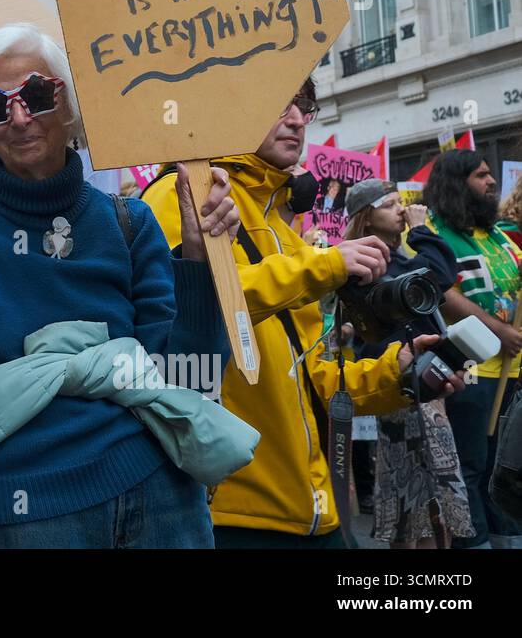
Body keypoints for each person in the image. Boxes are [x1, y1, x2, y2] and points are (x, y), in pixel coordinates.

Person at [0, 24, 251, 549]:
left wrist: (198, 260)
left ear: (70, 104)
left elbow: (190, 382)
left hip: (156, 500)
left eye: (36, 94)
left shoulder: (132, 224)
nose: (18, 118)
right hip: (18, 520)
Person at [143, 80, 464, 548]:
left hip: (314, 510)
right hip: (231, 513)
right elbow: (203, 304)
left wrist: (394, 375)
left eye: (304, 106)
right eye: (279, 103)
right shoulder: (182, 194)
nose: (296, 119)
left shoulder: (285, 229)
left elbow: (313, 377)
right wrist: (327, 264)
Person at [341, 179, 472, 548]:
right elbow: (436, 278)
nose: (402, 209)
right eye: (391, 204)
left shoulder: (397, 258)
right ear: (366, 218)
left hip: (425, 382)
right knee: (414, 498)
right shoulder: (364, 263)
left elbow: (442, 276)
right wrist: (420, 231)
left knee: (431, 501)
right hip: (398, 382)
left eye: (403, 202)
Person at [424, 150, 522, 548]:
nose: (491, 181)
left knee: (507, 471)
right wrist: (499, 330)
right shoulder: (433, 235)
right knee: (472, 468)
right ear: (456, 182)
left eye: (490, 174)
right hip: (471, 373)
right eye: (481, 175)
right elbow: (441, 291)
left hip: (511, 375)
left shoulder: (499, 234)